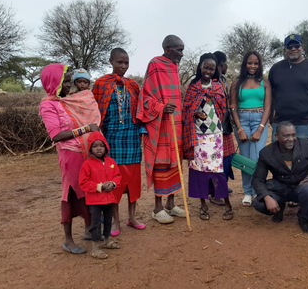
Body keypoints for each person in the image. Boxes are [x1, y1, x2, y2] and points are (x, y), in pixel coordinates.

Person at [39, 63, 101, 254]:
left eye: (68, 81)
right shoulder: (48, 105)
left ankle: (89, 230)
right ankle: (68, 240)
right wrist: (86, 129)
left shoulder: (66, 101)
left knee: (88, 190)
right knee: (72, 193)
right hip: (69, 155)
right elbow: (55, 135)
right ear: (53, 82)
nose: (68, 85)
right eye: (64, 82)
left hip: (84, 152)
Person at [92, 48, 145, 236]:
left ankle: (132, 217)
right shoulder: (100, 84)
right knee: (114, 182)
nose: (123, 66)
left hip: (132, 138)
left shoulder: (133, 85)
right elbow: (95, 113)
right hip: (112, 139)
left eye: (126, 63)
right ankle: (116, 221)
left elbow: (140, 111)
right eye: (119, 62)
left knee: (133, 181)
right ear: (111, 62)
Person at [137, 35, 186, 224]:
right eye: (178, 50)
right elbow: (146, 97)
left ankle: (170, 204)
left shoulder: (174, 66)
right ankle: (157, 208)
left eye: (182, 49)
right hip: (160, 124)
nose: (182, 54)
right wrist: (161, 108)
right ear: (167, 49)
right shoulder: (155, 64)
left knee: (175, 163)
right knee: (161, 163)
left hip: (176, 123)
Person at [183, 53, 232, 220]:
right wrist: (195, 112)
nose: (208, 71)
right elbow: (186, 110)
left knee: (218, 170)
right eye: (206, 68)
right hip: (198, 136)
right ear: (200, 67)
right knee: (199, 170)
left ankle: (227, 204)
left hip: (216, 135)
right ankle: (203, 205)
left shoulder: (218, 86)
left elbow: (223, 107)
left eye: (212, 68)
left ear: (215, 70)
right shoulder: (193, 87)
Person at [252, 121, 308, 233]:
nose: (291, 139)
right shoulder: (266, 153)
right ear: (276, 136)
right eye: (286, 136)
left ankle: (304, 218)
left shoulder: (307, 146)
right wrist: (266, 197)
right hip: (279, 188)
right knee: (259, 203)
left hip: (301, 187)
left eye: (293, 135)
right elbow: (257, 179)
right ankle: (278, 208)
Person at [230, 51, 272, 206]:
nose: (252, 66)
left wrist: (260, 129)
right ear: (244, 64)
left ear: (260, 65)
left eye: (256, 63)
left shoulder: (265, 83)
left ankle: (257, 191)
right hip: (242, 120)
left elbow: (268, 108)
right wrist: (239, 128)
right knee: (245, 158)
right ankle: (247, 192)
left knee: (257, 157)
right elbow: (233, 107)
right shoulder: (236, 83)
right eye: (249, 63)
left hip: (259, 120)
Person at [269, 34, 308, 140]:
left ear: (302, 48)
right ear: (285, 50)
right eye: (289, 47)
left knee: (301, 156)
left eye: (296, 46)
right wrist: (270, 117)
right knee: (278, 155)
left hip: (304, 124)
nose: (293, 49)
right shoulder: (276, 68)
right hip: (280, 123)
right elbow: (270, 96)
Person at [79, 131, 121, 259]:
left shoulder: (111, 162)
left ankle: (107, 241)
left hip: (109, 199)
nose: (99, 148)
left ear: (106, 147)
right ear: (91, 148)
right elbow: (83, 182)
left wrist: (113, 184)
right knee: (96, 223)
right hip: (95, 200)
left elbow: (117, 176)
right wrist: (99, 186)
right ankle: (95, 248)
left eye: (101, 146)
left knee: (108, 220)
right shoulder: (87, 164)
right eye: (95, 146)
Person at [210, 50, 234, 205]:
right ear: (221, 64)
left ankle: (222, 186)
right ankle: (216, 192)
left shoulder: (222, 80)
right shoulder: (211, 82)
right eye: (225, 63)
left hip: (225, 126)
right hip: (215, 127)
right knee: (216, 160)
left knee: (226, 159)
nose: (226, 66)